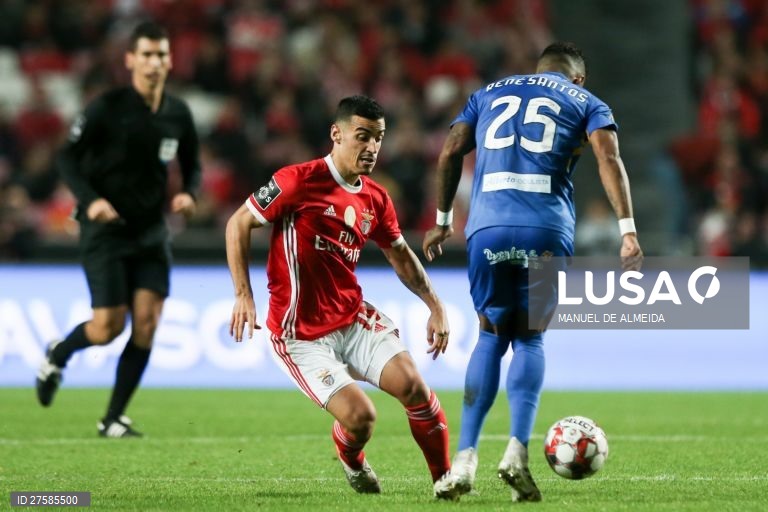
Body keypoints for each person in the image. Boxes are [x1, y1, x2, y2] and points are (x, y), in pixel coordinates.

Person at [423, 42, 643, 501]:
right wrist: (627, 230)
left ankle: (464, 460)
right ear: (577, 77)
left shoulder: (488, 93)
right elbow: (608, 158)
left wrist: (443, 220)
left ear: (538, 69)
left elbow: (448, 153)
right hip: (545, 228)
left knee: (489, 333)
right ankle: (516, 451)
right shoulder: (587, 102)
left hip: (486, 227)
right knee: (530, 336)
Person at [226, 95, 451, 494]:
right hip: (299, 335)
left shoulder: (376, 199)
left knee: (415, 387)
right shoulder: (298, 180)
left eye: (378, 138)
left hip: (352, 317)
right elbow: (238, 223)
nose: (372, 148)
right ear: (337, 133)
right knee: (361, 418)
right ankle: (352, 459)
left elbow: (400, 254)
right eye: (362, 136)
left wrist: (434, 305)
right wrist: (243, 294)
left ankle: (445, 482)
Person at [35, 21, 201, 438]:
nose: (154, 62)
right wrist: (90, 200)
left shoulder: (178, 114)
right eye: (146, 54)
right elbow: (67, 159)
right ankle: (59, 351)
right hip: (105, 232)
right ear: (130, 60)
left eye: (161, 54)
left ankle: (112, 418)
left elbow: (193, 164)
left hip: (151, 233)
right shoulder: (105, 108)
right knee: (108, 327)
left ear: (170, 61)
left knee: (146, 323)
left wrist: (189, 193)